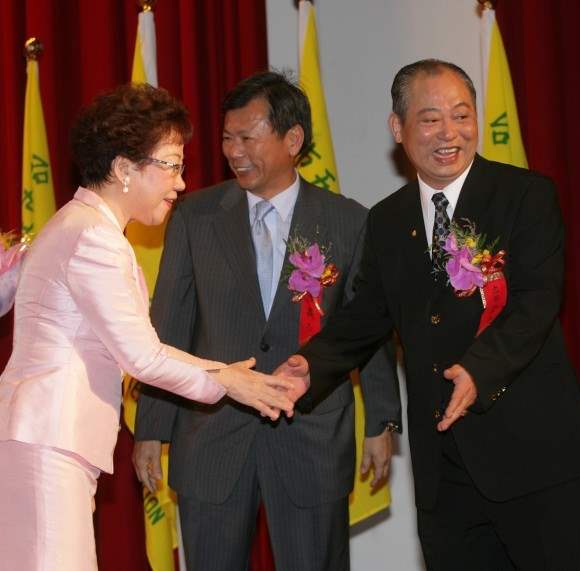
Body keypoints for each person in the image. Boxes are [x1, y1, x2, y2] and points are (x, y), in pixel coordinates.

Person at [278, 59, 580, 570]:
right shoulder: (387, 220)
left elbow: (537, 302)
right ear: (398, 128)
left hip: (537, 457)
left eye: (462, 115)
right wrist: (311, 365)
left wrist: (478, 370)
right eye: (431, 119)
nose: (450, 133)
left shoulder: (524, 195)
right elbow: (366, 316)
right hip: (446, 470)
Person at [0, 84, 297, 571]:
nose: (181, 183)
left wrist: (225, 375)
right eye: (170, 165)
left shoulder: (80, 224)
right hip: (46, 438)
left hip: (36, 438)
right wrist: (230, 380)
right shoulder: (95, 239)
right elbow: (142, 356)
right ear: (124, 168)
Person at [133, 71, 401, 570]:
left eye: (248, 138)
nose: (234, 151)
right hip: (212, 437)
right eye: (227, 138)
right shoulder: (195, 217)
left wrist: (381, 422)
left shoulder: (346, 221)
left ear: (292, 140)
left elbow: (367, 329)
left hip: (311, 437)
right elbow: (168, 327)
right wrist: (151, 427)